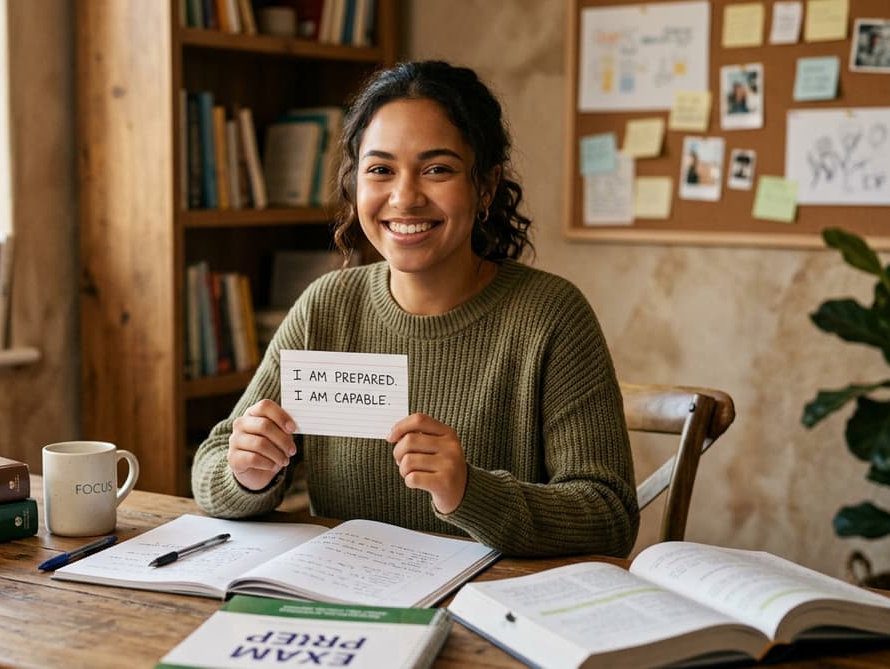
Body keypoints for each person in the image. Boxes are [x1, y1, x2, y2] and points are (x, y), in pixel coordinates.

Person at [191, 60, 638, 558]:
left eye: (437, 169)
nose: (404, 198)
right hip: (345, 597)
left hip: (489, 613)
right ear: (354, 184)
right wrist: (246, 475)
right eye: (380, 170)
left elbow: (609, 515)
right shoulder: (327, 307)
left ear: (485, 187)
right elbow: (211, 466)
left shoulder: (550, 315)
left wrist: (470, 490)